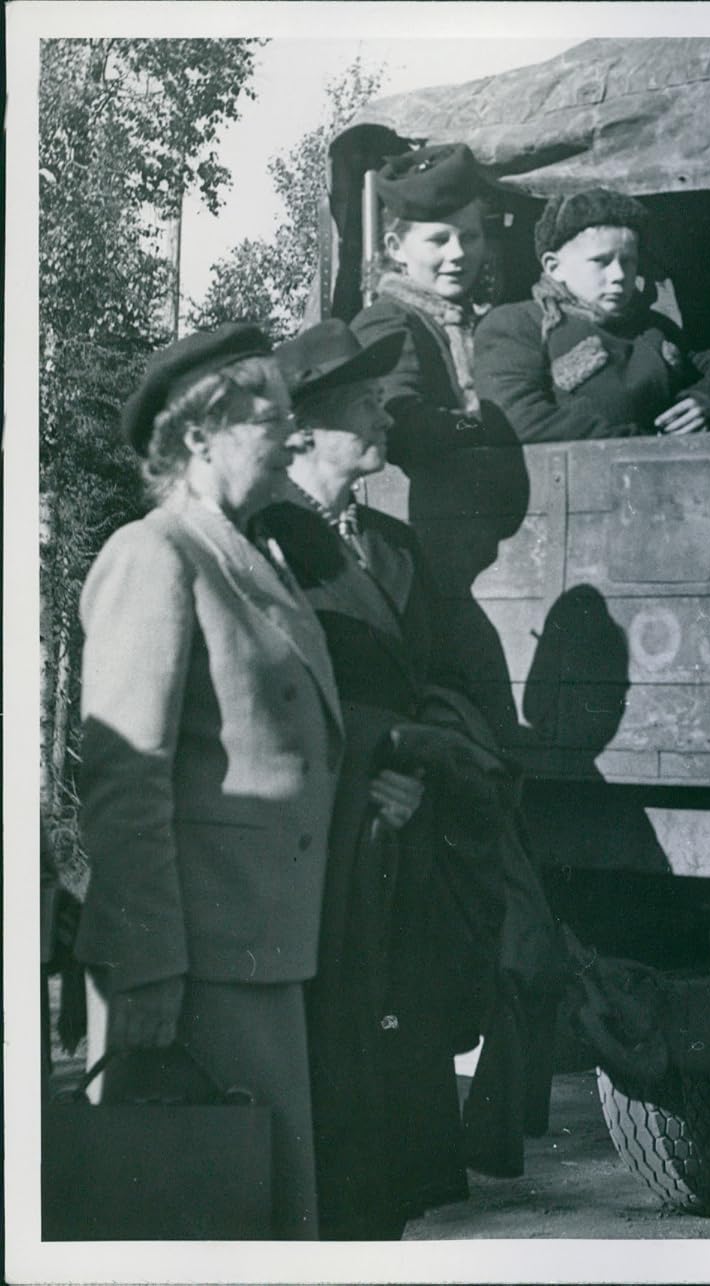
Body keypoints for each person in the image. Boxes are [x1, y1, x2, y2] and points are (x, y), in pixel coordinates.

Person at [73, 324, 341, 1239]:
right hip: (194, 966)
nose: (295, 437)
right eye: (274, 418)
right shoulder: (156, 554)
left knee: (258, 1214)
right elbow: (125, 782)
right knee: (199, 1221)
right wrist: (148, 969)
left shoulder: (255, 557)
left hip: (261, 948)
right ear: (200, 435)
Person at [259, 320, 473, 1238]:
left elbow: (438, 678)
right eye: (363, 405)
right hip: (324, 864)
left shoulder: (394, 545)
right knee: (333, 1121)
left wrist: (425, 762)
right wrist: (369, 774)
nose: (384, 419)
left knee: (393, 1134)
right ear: (302, 430)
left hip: (401, 850)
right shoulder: (266, 545)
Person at [474, 187, 710, 441]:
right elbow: (518, 419)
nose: (619, 275)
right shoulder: (519, 324)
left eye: (628, 261)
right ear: (554, 266)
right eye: (601, 261)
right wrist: (643, 444)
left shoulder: (653, 328)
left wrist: (707, 400)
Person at [351, 142, 510, 471]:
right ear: (395, 247)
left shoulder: (482, 320)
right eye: (439, 240)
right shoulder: (386, 321)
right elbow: (401, 423)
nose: (458, 253)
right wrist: (484, 426)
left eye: (469, 237)